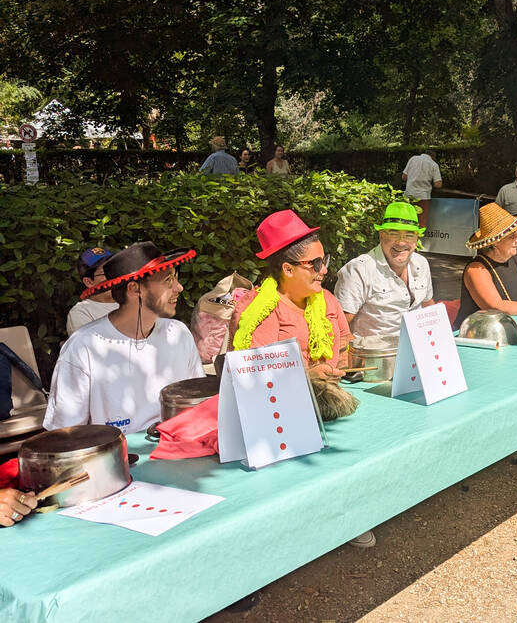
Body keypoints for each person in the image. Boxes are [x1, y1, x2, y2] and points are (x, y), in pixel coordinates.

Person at [229, 210, 371, 547]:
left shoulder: (326, 300)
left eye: (325, 261)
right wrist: (308, 376)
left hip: (329, 407)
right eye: (316, 264)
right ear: (287, 269)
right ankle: (295, 533)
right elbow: (256, 380)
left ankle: (351, 513)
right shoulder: (258, 310)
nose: (325, 270)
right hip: (278, 416)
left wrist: (340, 366)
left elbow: (343, 350)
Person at [44, 242, 204, 432]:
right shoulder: (84, 347)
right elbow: (64, 435)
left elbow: (199, 405)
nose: (179, 288)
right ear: (135, 289)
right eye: (168, 280)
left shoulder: (179, 334)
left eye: (175, 278)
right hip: (117, 457)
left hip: (180, 449)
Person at [335, 202, 434, 338]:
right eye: (394, 234)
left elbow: (428, 306)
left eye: (409, 235)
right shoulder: (358, 270)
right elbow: (340, 328)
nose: (401, 242)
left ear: (417, 239)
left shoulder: (421, 263)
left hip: (416, 350)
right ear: (381, 235)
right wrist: (361, 357)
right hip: (374, 355)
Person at [66, 247, 118, 336]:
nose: (113, 275)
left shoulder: (132, 299)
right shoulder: (81, 312)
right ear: (88, 282)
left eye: (114, 268)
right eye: (105, 272)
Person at [402, 151, 442, 229]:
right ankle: (417, 240)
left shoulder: (413, 159)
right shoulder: (433, 164)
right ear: (433, 157)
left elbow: (404, 177)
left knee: (407, 221)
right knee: (420, 224)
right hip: (423, 197)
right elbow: (438, 184)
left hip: (408, 195)